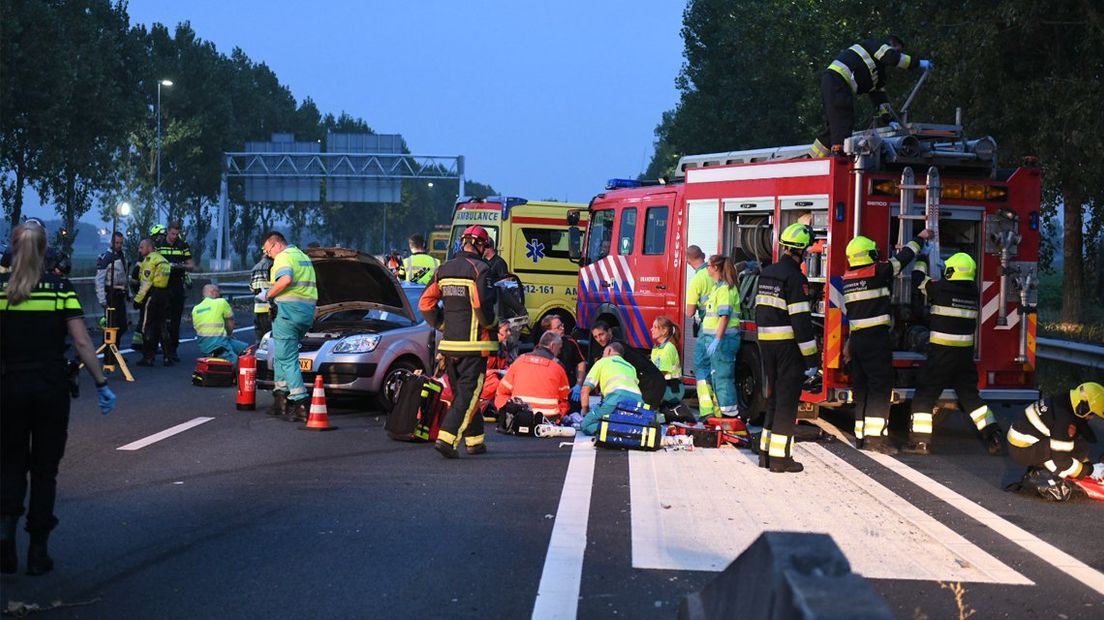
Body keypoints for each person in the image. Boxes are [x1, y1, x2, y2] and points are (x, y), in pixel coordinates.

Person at [1, 220, 116, 576]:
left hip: (7, 387)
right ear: (45, 249)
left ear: (13, 247)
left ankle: (5, 542)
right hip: (50, 388)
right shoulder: (59, 288)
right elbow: (82, 342)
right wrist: (100, 382)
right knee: (44, 470)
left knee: (9, 464)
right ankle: (38, 550)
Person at [906, 253, 1004, 456]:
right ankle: (993, 434)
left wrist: (922, 260)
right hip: (964, 358)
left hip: (941, 355)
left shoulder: (940, 288)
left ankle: (920, 443)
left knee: (925, 397)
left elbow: (917, 280)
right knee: (971, 399)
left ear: (951, 272)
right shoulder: (973, 292)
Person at [842, 229, 930, 454]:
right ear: (868, 254)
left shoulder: (849, 278)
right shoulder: (877, 271)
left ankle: (862, 436)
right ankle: (874, 440)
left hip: (858, 340)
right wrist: (921, 239)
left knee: (862, 389)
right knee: (880, 388)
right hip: (875, 340)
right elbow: (904, 258)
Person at [418, 225, 497, 458]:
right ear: (481, 245)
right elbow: (483, 308)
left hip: (449, 344)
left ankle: (475, 441)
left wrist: (443, 324)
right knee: (469, 394)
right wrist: (493, 323)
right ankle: (447, 438)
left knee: (462, 393)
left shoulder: (443, 269)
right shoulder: (480, 269)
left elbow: (425, 303)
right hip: (475, 346)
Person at [755, 224, 820, 473]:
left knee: (773, 400)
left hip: (767, 345)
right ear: (802, 251)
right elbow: (801, 323)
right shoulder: (795, 278)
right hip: (787, 348)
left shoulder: (767, 273)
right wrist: (811, 359)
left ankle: (766, 455)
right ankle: (781, 460)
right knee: (786, 403)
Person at [811, 36, 930, 157]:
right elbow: (892, 58)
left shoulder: (878, 72)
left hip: (834, 81)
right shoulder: (877, 45)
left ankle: (814, 157)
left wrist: (890, 120)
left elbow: (879, 98)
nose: (899, 54)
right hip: (837, 78)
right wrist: (918, 63)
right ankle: (839, 153)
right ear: (891, 43)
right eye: (897, 51)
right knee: (843, 118)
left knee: (834, 125)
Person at [257, 231, 318, 422]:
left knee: (287, 357)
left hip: (287, 313)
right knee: (282, 354)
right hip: (305, 314)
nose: (269, 255)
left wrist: (267, 295)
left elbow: (285, 280)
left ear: (277, 245)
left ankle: (300, 403)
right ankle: (280, 397)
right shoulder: (303, 256)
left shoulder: (283, 257)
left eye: (269, 250)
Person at [1006, 382, 1104, 500]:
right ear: (1083, 408)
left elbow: (1076, 443)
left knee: (1080, 446)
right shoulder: (1064, 421)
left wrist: (1087, 464)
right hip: (1022, 449)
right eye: (1092, 414)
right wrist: (1089, 471)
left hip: (1025, 440)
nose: (1092, 417)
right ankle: (1049, 473)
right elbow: (1062, 460)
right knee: (1061, 458)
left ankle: (1047, 466)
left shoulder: (1066, 400)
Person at [698, 255, 742, 418]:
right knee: (718, 377)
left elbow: (725, 317)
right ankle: (724, 414)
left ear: (716, 267)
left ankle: (729, 416)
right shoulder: (718, 287)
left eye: (708, 265)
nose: (707, 268)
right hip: (718, 340)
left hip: (723, 341)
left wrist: (717, 339)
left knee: (723, 378)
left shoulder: (725, 289)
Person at [495, 331, 571, 423]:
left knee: (501, 396)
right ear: (552, 345)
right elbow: (564, 396)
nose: (559, 352)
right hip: (548, 418)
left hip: (519, 415)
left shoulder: (520, 360)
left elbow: (502, 389)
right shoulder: (558, 366)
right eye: (559, 348)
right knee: (565, 403)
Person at [588, 321, 666, 408]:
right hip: (650, 381)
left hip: (650, 383)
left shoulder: (613, 349)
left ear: (609, 332)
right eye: (596, 337)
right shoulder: (614, 344)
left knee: (642, 415)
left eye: (601, 334)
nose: (599, 339)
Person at [579, 343, 644, 435]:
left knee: (586, 424)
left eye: (603, 353)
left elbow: (584, 391)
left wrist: (585, 413)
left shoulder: (602, 362)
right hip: (638, 403)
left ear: (609, 351)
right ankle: (630, 430)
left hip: (615, 399)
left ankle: (616, 430)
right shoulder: (631, 367)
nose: (602, 355)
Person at [152, 223, 193, 362]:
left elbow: (191, 265)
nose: (174, 237)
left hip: (176, 284)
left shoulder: (182, 245)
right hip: (161, 285)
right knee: (160, 318)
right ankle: (160, 349)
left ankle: (173, 349)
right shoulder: (159, 244)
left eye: (176, 234)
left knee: (175, 319)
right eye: (172, 234)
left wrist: (179, 266)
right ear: (167, 232)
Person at [684, 245, 717, 417]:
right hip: (724, 327)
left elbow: (689, 313)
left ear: (688, 260)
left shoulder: (698, 279)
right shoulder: (716, 273)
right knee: (717, 368)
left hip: (707, 327)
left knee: (701, 366)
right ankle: (719, 410)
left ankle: (706, 411)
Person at [134, 238, 175, 367]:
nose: (140, 250)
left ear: (149, 247)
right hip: (164, 295)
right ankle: (168, 357)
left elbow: (146, 284)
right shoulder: (163, 260)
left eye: (141, 247)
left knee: (147, 326)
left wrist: (137, 300)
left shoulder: (149, 261)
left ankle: (148, 357)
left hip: (152, 296)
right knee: (162, 325)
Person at [192, 284, 249, 365]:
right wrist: (229, 334)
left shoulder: (195, 309)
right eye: (219, 292)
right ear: (213, 292)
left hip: (205, 346)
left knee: (244, 347)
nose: (219, 294)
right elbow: (230, 321)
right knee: (242, 363)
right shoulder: (221, 302)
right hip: (219, 345)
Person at [95, 231, 129, 366]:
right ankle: (108, 357)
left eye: (121, 243)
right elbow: (99, 280)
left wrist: (129, 293)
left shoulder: (123, 255)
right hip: (111, 295)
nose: (119, 245)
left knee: (122, 326)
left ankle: (115, 352)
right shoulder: (106, 257)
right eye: (116, 243)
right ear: (111, 242)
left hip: (120, 294)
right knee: (111, 326)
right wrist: (102, 300)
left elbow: (125, 277)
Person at [541, 314, 586, 406]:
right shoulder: (541, 348)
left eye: (562, 325)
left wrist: (578, 384)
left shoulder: (570, 342)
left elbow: (581, 363)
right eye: (558, 327)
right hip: (550, 390)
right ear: (549, 331)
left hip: (570, 388)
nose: (562, 328)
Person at [649, 316, 684, 407]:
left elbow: (662, 373)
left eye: (655, 327)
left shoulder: (668, 348)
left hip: (671, 390)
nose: (651, 329)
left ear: (664, 331)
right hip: (665, 387)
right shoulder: (657, 348)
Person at [249, 251, 275, 344]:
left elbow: (251, 288)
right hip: (270, 307)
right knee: (271, 338)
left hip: (258, 308)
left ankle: (259, 356)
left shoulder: (255, 268)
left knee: (260, 338)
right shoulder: (273, 266)